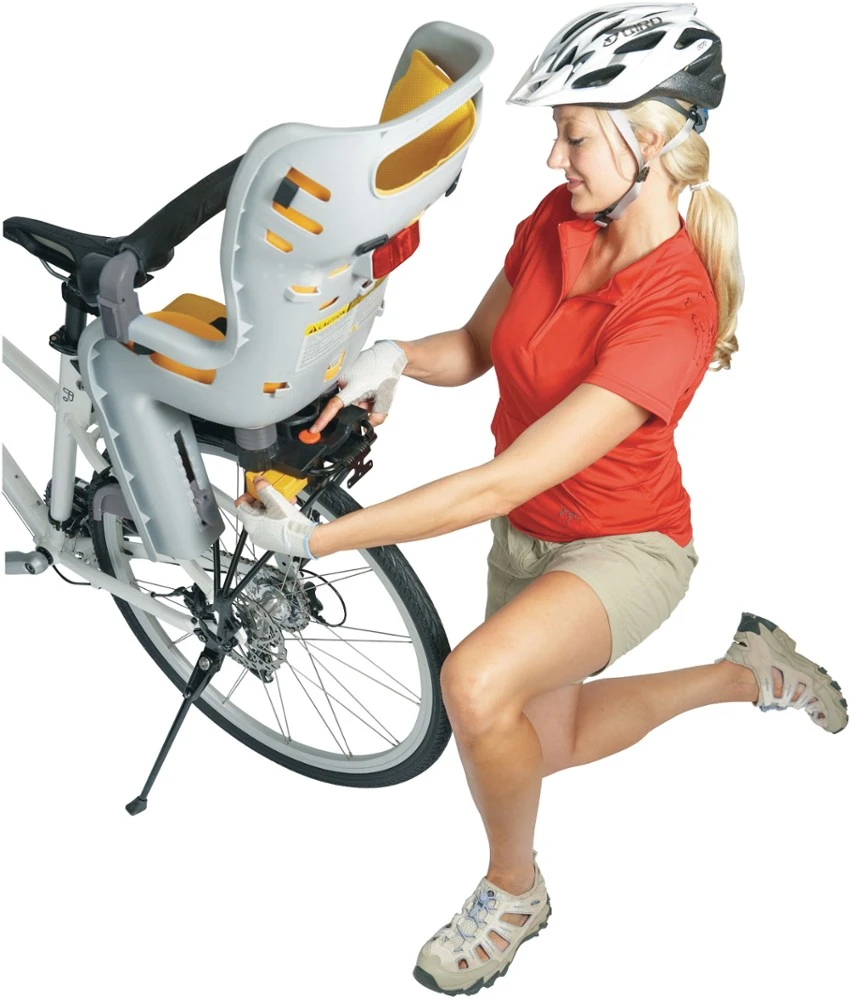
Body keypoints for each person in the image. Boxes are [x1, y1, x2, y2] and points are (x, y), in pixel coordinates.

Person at [235, 4, 848, 994]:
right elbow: (479, 348)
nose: (553, 157)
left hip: (625, 547)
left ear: (647, 143)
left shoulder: (672, 309)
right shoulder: (557, 223)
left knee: (475, 687)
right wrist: (393, 357)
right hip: (526, 539)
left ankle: (512, 891)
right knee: (540, 741)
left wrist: (320, 539)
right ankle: (749, 674)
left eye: (572, 135)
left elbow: (501, 478)